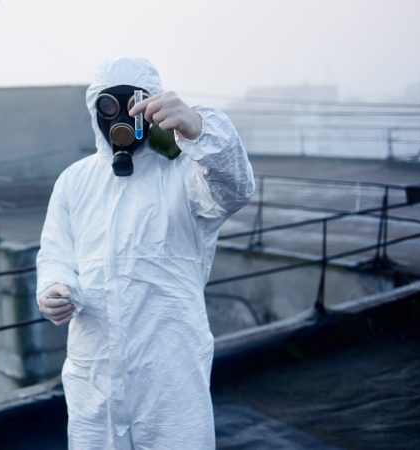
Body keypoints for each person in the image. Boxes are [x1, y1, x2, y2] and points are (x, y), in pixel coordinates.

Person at [35, 57, 255, 449]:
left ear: (153, 106)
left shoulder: (186, 171)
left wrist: (199, 129)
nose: (119, 115)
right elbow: (55, 254)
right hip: (94, 370)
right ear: (93, 110)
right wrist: (55, 288)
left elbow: (236, 189)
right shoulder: (75, 181)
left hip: (169, 368)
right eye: (108, 105)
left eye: (133, 102)